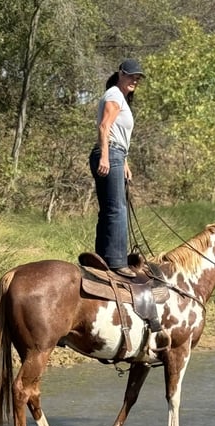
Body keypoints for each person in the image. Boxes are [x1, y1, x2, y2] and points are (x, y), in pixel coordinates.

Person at [89, 58, 145, 278]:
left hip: (115, 154)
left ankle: (102, 257)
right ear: (121, 73)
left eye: (137, 78)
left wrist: (125, 163)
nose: (134, 80)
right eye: (131, 76)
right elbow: (105, 127)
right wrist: (105, 156)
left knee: (109, 210)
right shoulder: (114, 95)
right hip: (109, 153)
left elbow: (119, 136)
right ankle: (117, 263)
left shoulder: (120, 97)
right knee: (117, 209)